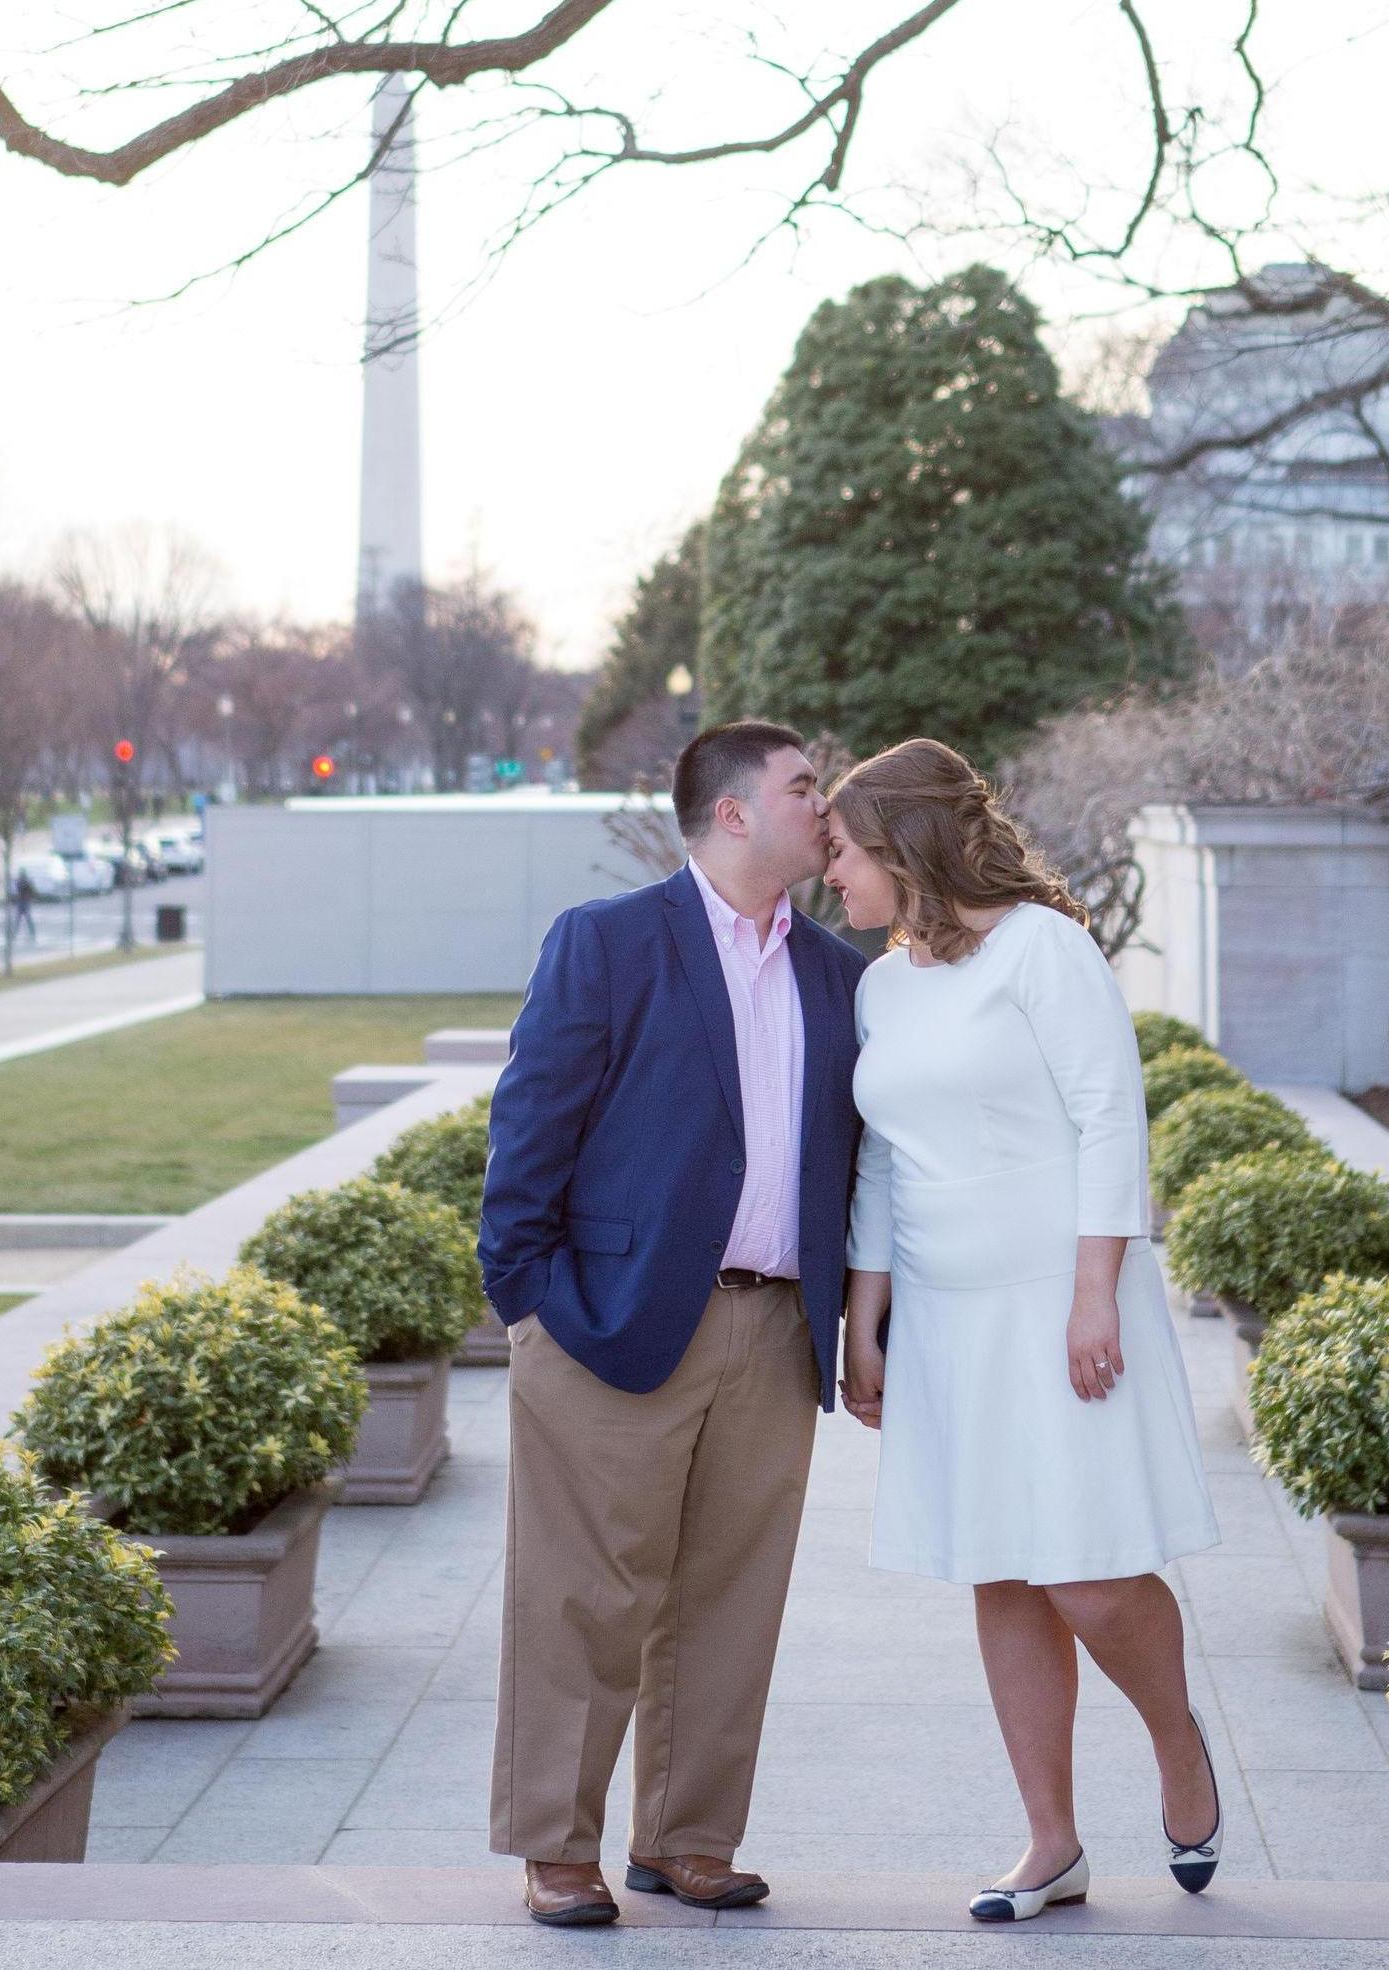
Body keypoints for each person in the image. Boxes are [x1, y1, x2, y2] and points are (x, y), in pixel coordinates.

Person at [826, 738, 1224, 1922]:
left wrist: (1094, 1286)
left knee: (1090, 1572)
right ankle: (1050, 1842)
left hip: (1058, 1301)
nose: (831, 876)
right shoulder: (881, 983)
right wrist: (864, 1317)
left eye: (843, 853)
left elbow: (1112, 1115)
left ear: (904, 844)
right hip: (945, 1318)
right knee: (999, 1568)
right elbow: (881, 1162)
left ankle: (1177, 1741)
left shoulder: (1045, 949)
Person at [479, 719, 865, 1928]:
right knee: (583, 1596)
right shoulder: (607, 943)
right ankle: (553, 1844)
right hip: (611, 1326)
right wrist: (531, 1300)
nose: (826, 805)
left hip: (775, 1328)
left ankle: (689, 1839)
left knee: (730, 1600)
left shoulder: (841, 974)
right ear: (735, 811)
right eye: (806, 787)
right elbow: (528, 1129)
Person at [9, 864, 38, 942]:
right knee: (19, 919)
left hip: (25, 901)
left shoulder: (27, 881)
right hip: (21, 901)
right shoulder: (19, 881)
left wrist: (30, 898)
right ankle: (15, 934)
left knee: (26, 918)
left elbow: (32, 891)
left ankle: (32, 933)